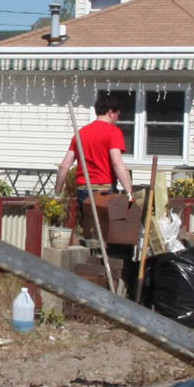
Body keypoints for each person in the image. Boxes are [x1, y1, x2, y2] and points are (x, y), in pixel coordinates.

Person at [58, 93, 136, 297]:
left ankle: (86, 281)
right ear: (111, 112)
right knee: (108, 237)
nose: (118, 117)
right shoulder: (113, 132)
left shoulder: (81, 133)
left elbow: (65, 165)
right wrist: (129, 191)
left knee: (89, 235)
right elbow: (117, 163)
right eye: (118, 114)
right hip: (103, 191)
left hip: (83, 190)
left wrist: (57, 191)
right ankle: (103, 283)